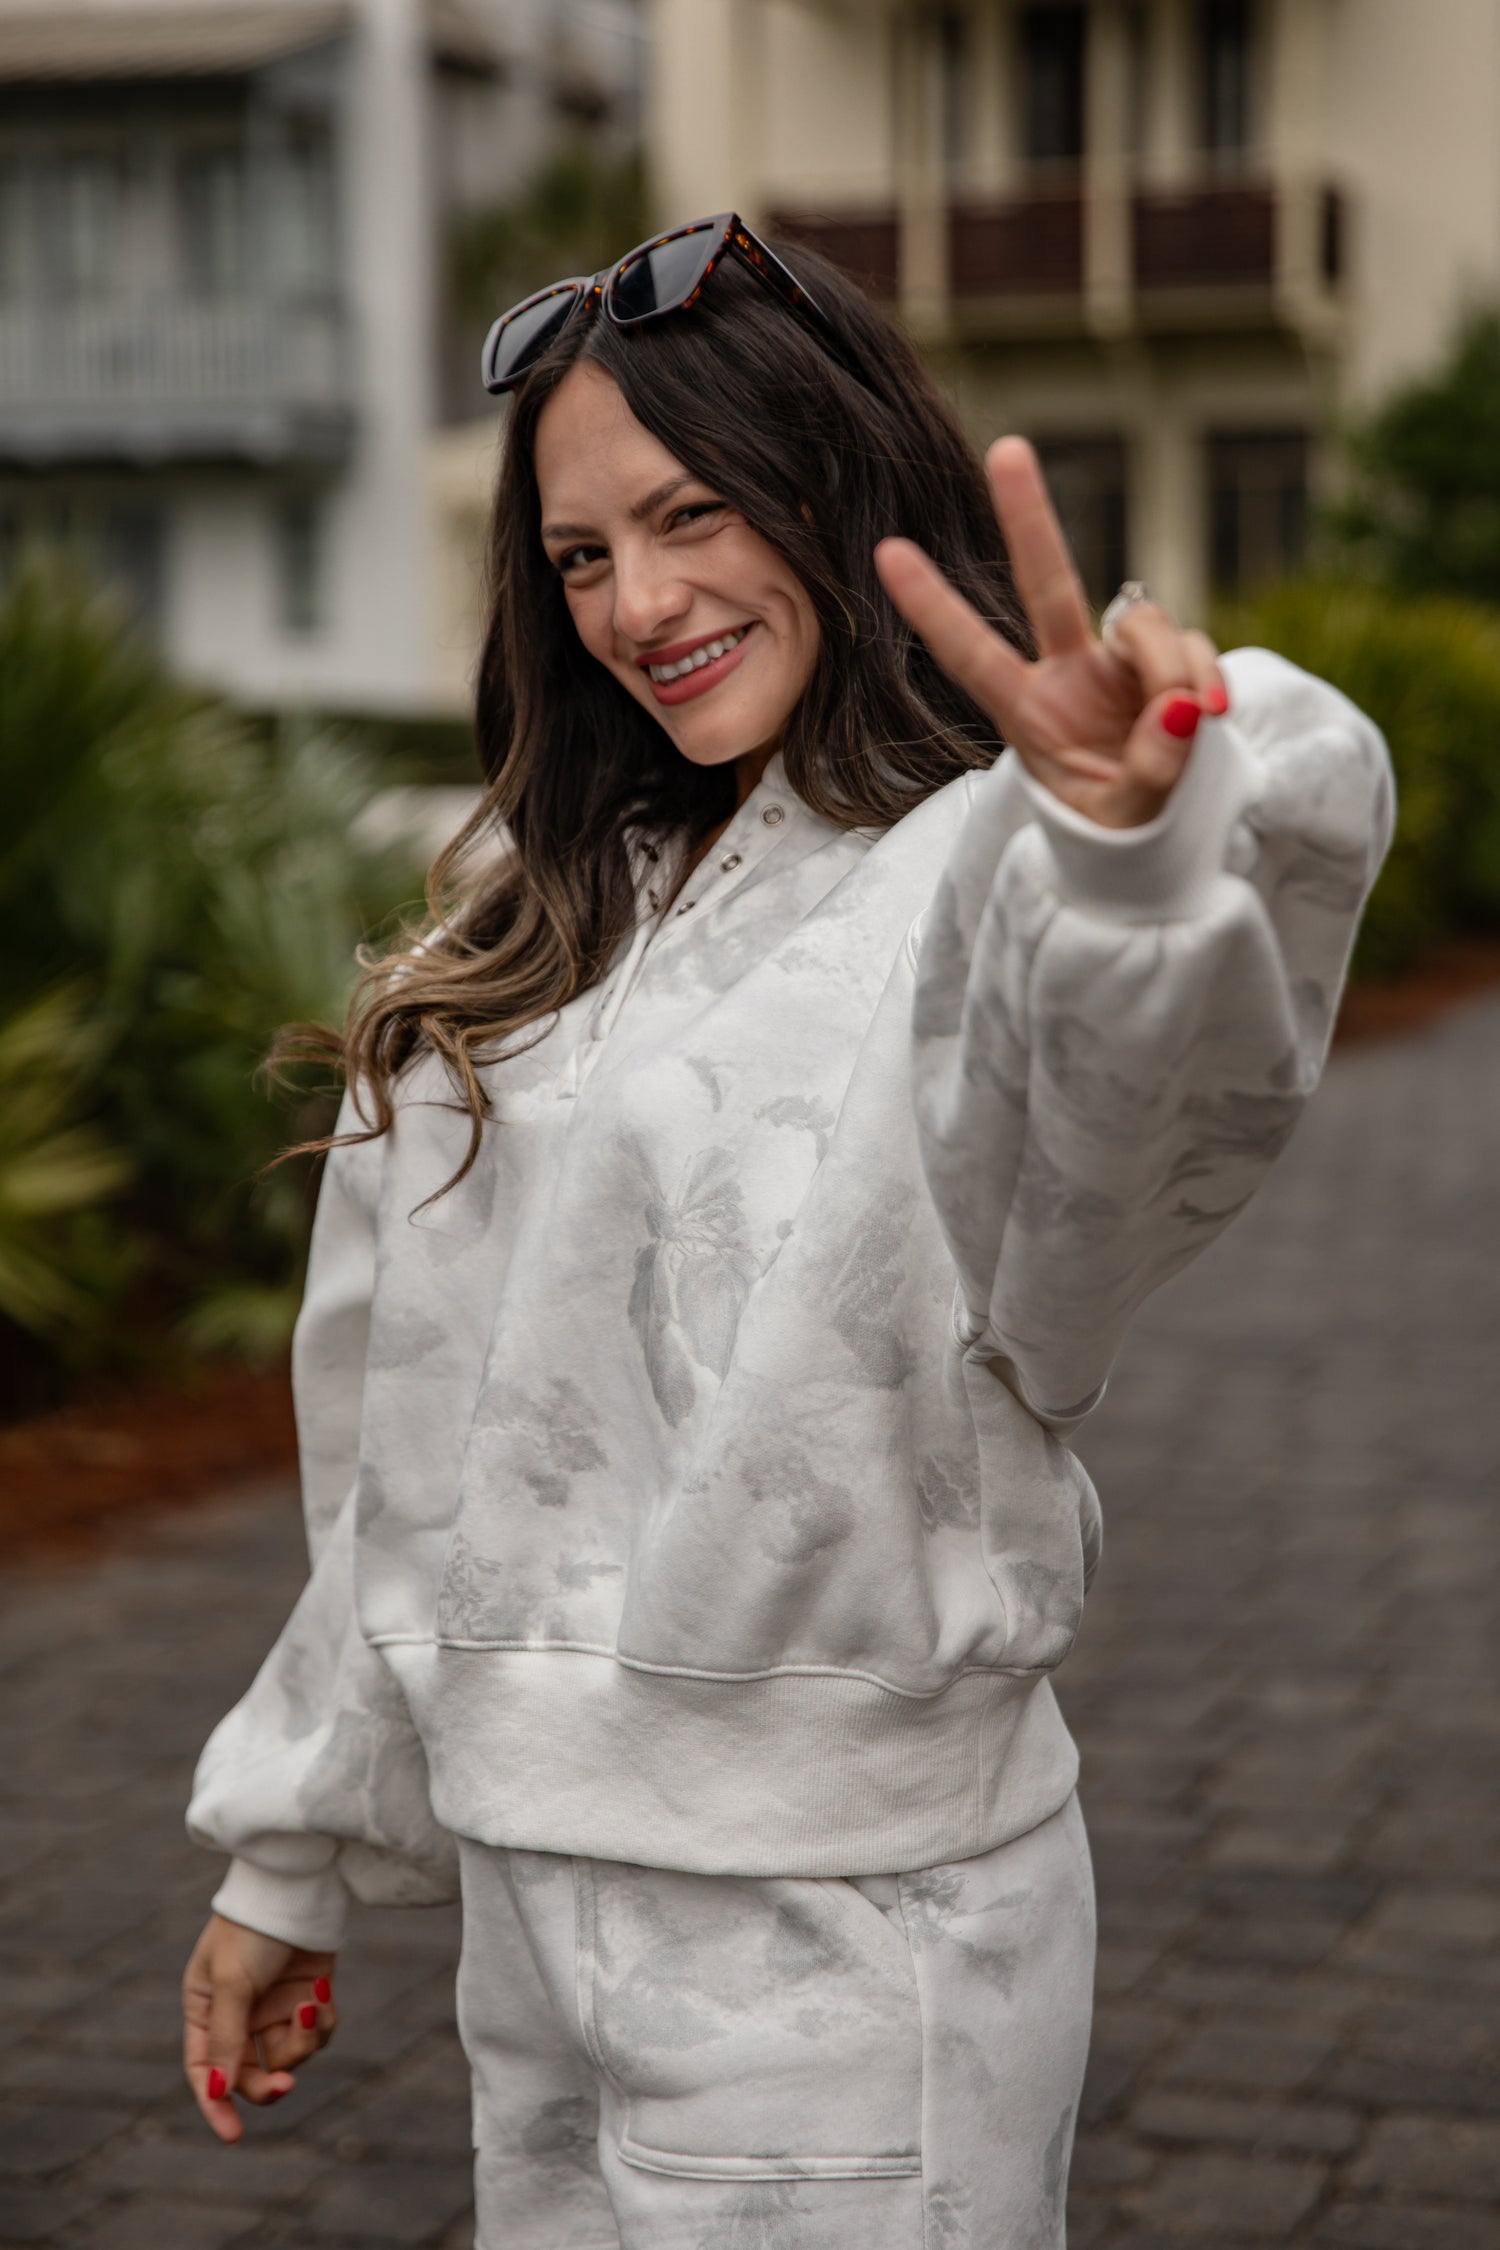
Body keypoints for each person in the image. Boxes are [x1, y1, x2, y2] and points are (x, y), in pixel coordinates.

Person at [182, 218, 1392, 2248]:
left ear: (836, 492)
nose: (637, 604)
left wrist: (1132, 847)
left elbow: (1145, 1106)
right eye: (579, 555)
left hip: (855, 1937)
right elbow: (407, 1440)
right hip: (533, 1915)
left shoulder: (982, 865)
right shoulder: (542, 907)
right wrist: (289, 1852)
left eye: (693, 513)